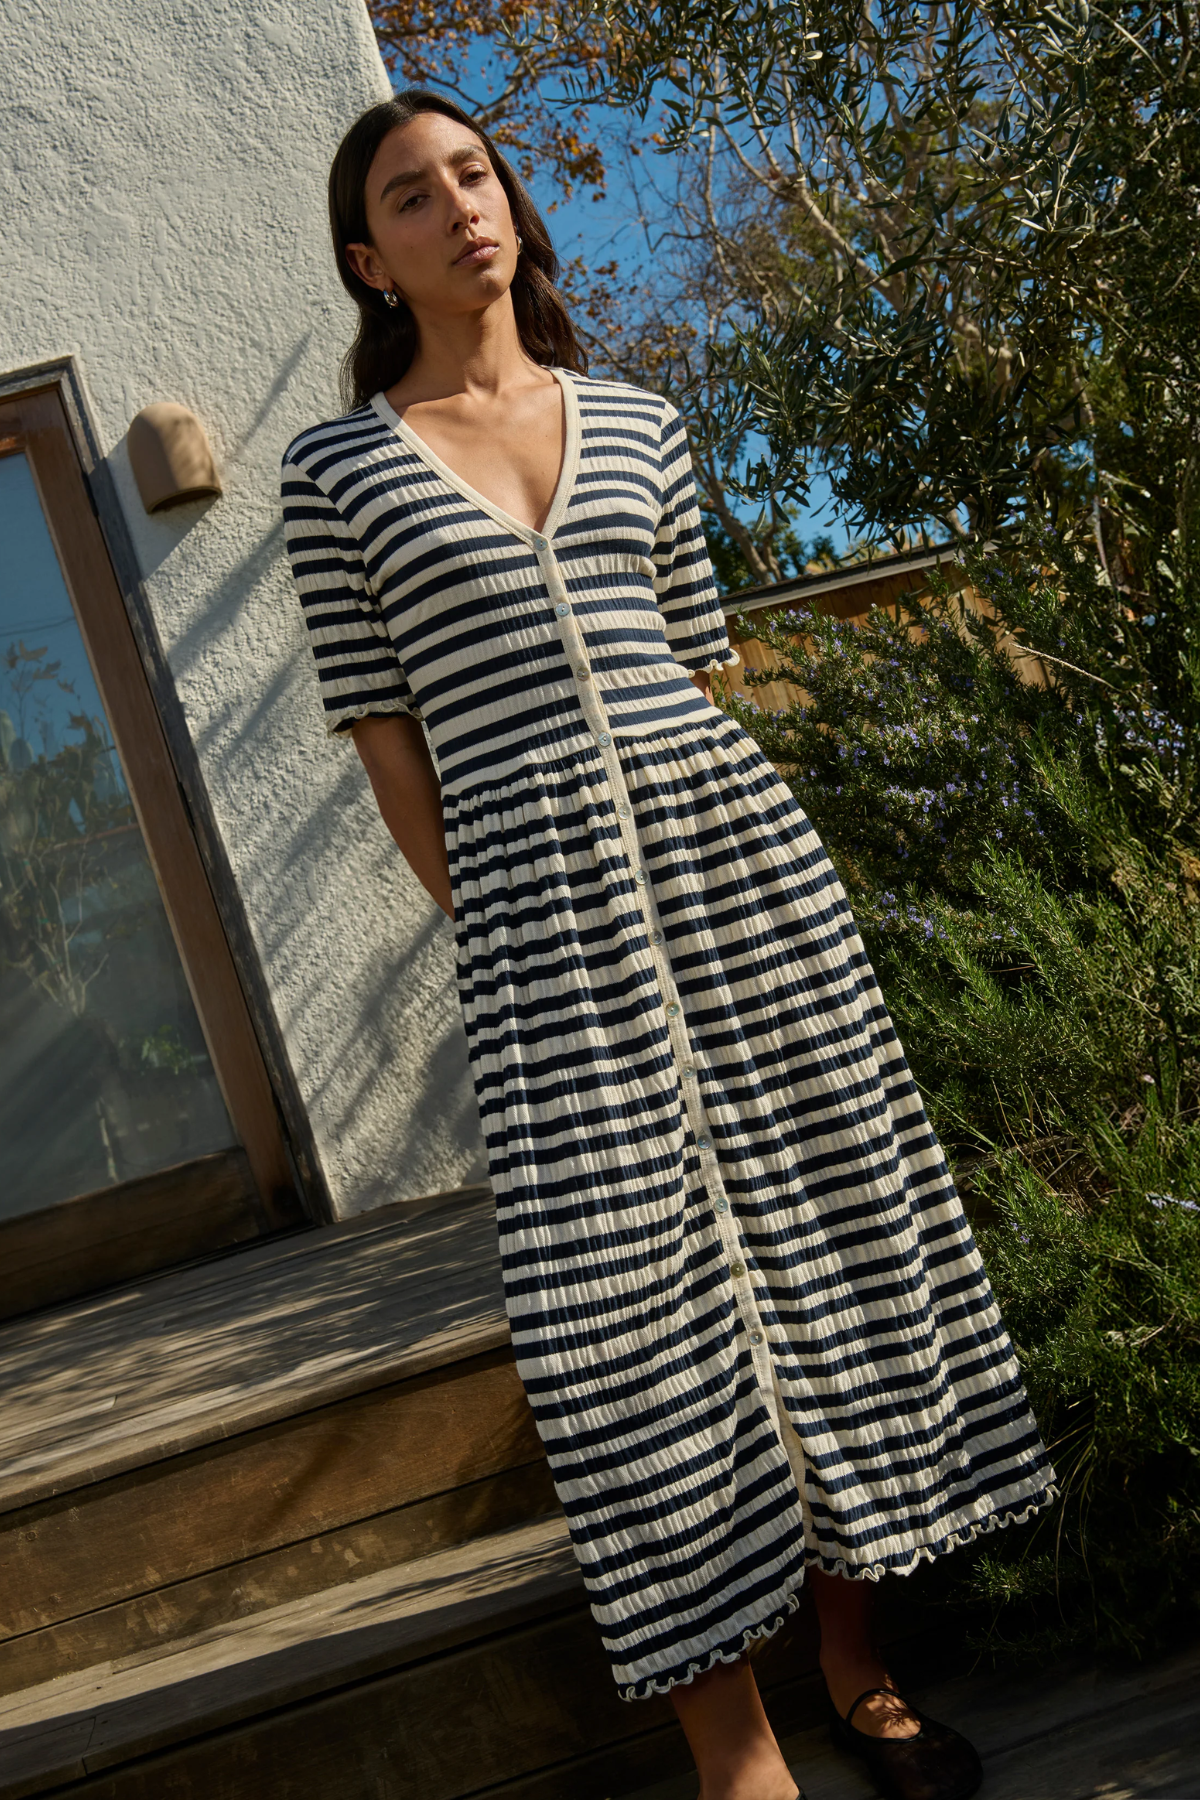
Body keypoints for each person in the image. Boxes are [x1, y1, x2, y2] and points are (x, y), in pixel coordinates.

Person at [281, 89, 1057, 1800]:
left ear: (512, 209)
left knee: (825, 1244)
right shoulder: (335, 472)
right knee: (617, 1325)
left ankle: (855, 1659)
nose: (458, 207)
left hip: (740, 891)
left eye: (475, 174)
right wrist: (504, 932)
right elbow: (391, 748)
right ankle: (736, 1746)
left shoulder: (640, 422)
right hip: (545, 940)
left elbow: (694, 681)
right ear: (372, 259)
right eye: (414, 196)